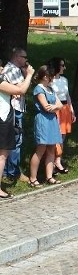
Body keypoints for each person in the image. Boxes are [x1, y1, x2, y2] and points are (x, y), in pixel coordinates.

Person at [0, 62, 34, 198]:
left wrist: (10, 94)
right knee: (2, 155)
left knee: (4, 153)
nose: (2, 69)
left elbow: (17, 88)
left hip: (4, 117)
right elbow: (21, 90)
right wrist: (29, 75)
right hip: (2, 119)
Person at [29, 66, 63, 187]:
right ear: (45, 76)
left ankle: (49, 176)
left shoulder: (50, 89)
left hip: (52, 120)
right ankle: (33, 178)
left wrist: (55, 107)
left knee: (51, 149)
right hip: (43, 120)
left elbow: (59, 105)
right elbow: (45, 106)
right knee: (41, 149)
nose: (53, 78)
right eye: (51, 76)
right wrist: (55, 107)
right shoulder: (39, 89)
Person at [1, 47, 30, 184]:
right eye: (24, 57)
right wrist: (28, 75)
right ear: (17, 57)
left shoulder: (16, 70)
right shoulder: (11, 70)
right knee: (14, 141)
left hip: (17, 108)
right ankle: (12, 172)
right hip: (13, 109)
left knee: (16, 140)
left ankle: (11, 170)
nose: (26, 60)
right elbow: (21, 89)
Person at [48, 57, 75, 174]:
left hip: (65, 108)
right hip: (56, 108)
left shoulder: (64, 80)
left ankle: (58, 160)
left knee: (62, 137)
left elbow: (67, 95)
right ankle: (51, 162)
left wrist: (72, 110)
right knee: (55, 136)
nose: (64, 67)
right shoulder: (50, 80)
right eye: (62, 65)